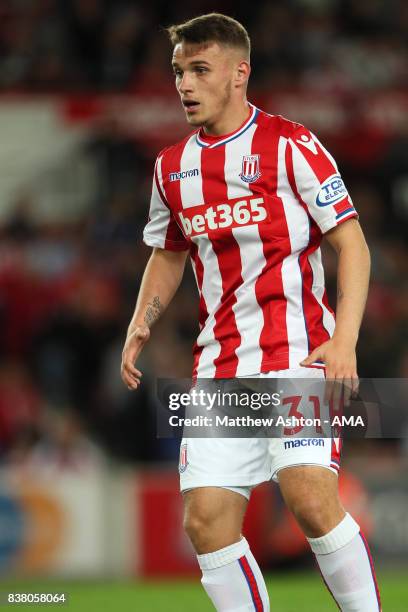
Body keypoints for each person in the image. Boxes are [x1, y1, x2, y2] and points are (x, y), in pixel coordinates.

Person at [121, 13, 381, 612]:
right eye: (179, 71)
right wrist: (143, 319)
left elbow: (353, 243)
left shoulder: (291, 145)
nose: (184, 83)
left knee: (310, 497)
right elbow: (167, 254)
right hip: (221, 367)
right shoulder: (170, 169)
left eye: (199, 70)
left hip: (299, 352)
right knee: (205, 521)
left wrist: (345, 341)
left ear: (240, 74)